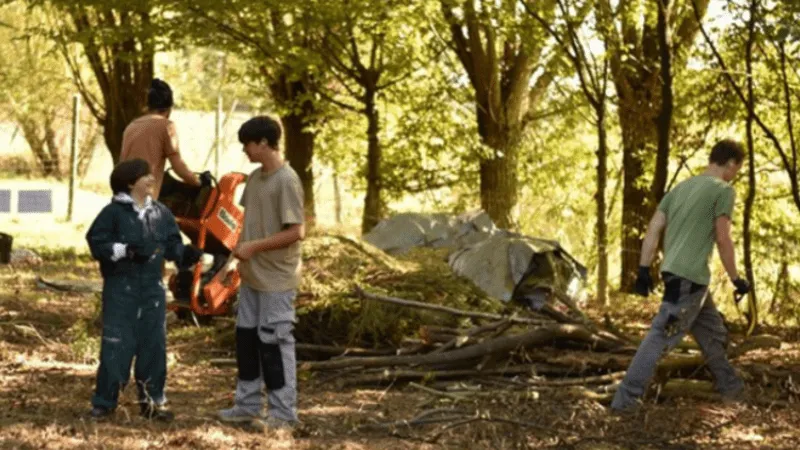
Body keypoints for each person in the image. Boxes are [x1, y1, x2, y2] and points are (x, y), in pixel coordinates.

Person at [610, 139, 752, 412]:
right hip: (690, 280)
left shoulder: (679, 189)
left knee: (712, 333)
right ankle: (624, 402)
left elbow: (653, 229)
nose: (735, 174)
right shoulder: (723, 190)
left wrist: (643, 269)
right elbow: (723, 238)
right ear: (732, 164)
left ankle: (732, 391)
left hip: (683, 278)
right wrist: (736, 279)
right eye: (737, 169)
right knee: (660, 337)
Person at [86, 158, 204, 421]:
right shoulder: (112, 213)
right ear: (130, 183)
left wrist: (185, 255)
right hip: (121, 289)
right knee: (117, 344)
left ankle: (153, 402)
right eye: (145, 176)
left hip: (152, 290)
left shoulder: (161, 213)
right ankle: (105, 403)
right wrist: (124, 250)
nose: (152, 179)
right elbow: (97, 242)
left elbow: (173, 246)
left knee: (154, 345)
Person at [217, 116, 305, 430]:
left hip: (277, 281)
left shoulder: (287, 180)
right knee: (246, 342)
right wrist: (233, 261)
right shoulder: (255, 179)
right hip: (251, 277)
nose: (245, 151)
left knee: (275, 344)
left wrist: (254, 249)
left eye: (248, 144)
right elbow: (247, 226)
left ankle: (283, 415)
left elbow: (296, 232)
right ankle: (246, 406)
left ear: (265, 143)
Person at [120, 78, 211, 199]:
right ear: (169, 108)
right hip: (142, 201)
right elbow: (178, 166)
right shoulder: (166, 126)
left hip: (122, 197)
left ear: (148, 106)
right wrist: (199, 182)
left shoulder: (131, 126)